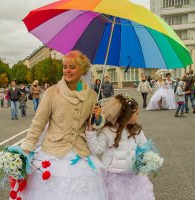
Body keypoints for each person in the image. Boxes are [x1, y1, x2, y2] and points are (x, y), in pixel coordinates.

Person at [20, 50, 107, 200]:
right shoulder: (52, 92)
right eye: (65, 66)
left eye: (72, 67)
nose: (67, 70)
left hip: (80, 152)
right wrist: (26, 149)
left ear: (82, 70)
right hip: (53, 153)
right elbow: (38, 123)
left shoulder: (92, 95)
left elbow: (93, 125)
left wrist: (97, 117)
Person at [86, 94, 155, 200]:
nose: (138, 116)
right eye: (136, 113)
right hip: (114, 178)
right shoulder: (108, 131)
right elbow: (96, 149)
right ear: (127, 114)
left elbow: (144, 147)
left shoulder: (136, 130)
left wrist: (147, 160)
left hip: (134, 177)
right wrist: (91, 133)